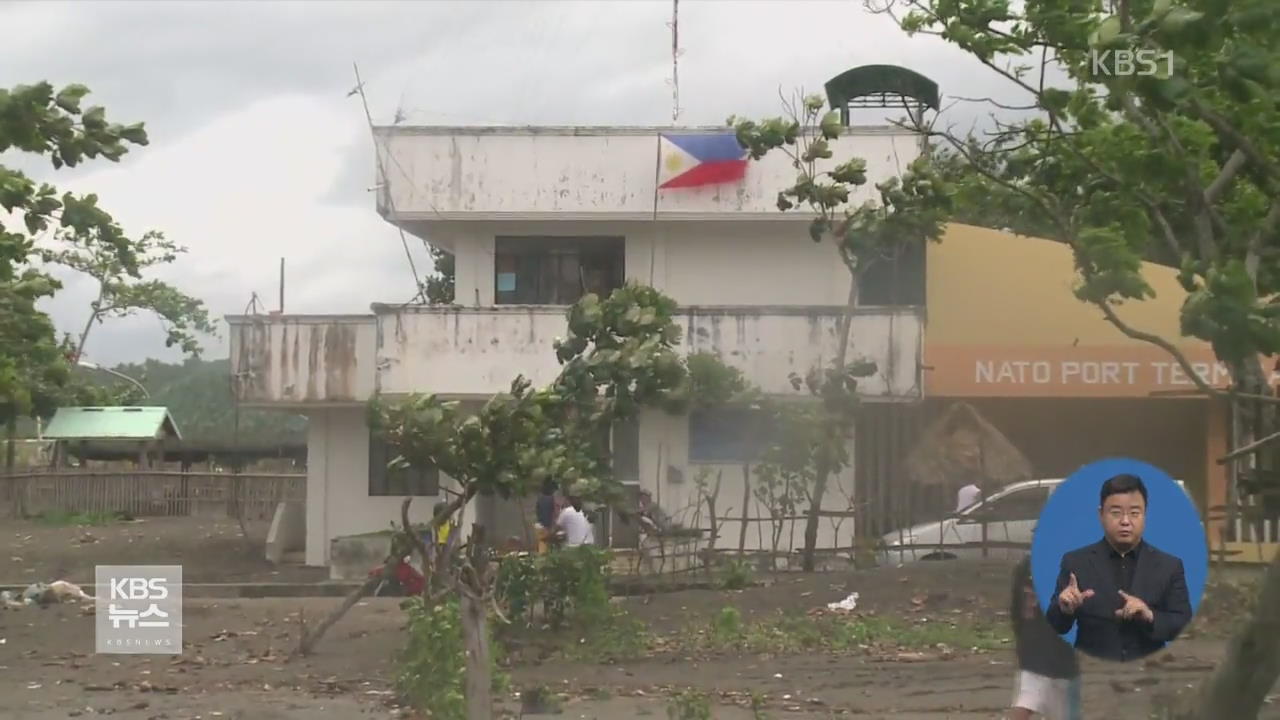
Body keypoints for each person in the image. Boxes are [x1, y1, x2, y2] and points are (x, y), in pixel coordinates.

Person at [1044, 473, 1192, 662]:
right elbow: (1054, 626)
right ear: (1101, 515)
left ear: (1145, 515)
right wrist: (1064, 609)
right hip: (1091, 674)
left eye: (1134, 513)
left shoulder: (1170, 566)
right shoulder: (1075, 562)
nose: (1125, 521)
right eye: (1116, 513)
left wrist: (1150, 615)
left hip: (1149, 673)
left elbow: (1182, 623)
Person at [1009, 555, 1081, 720]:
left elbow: (1015, 611)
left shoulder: (1025, 565)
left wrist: (1022, 638)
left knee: (1025, 701)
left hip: (1031, 649)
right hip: (1059, 657)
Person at [534, 479, 558, 554]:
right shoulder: (549, 499)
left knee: (542, 548)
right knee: (545, 550)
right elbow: (549, 515)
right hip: (545, 527)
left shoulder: (540, 498)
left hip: (539, 525)